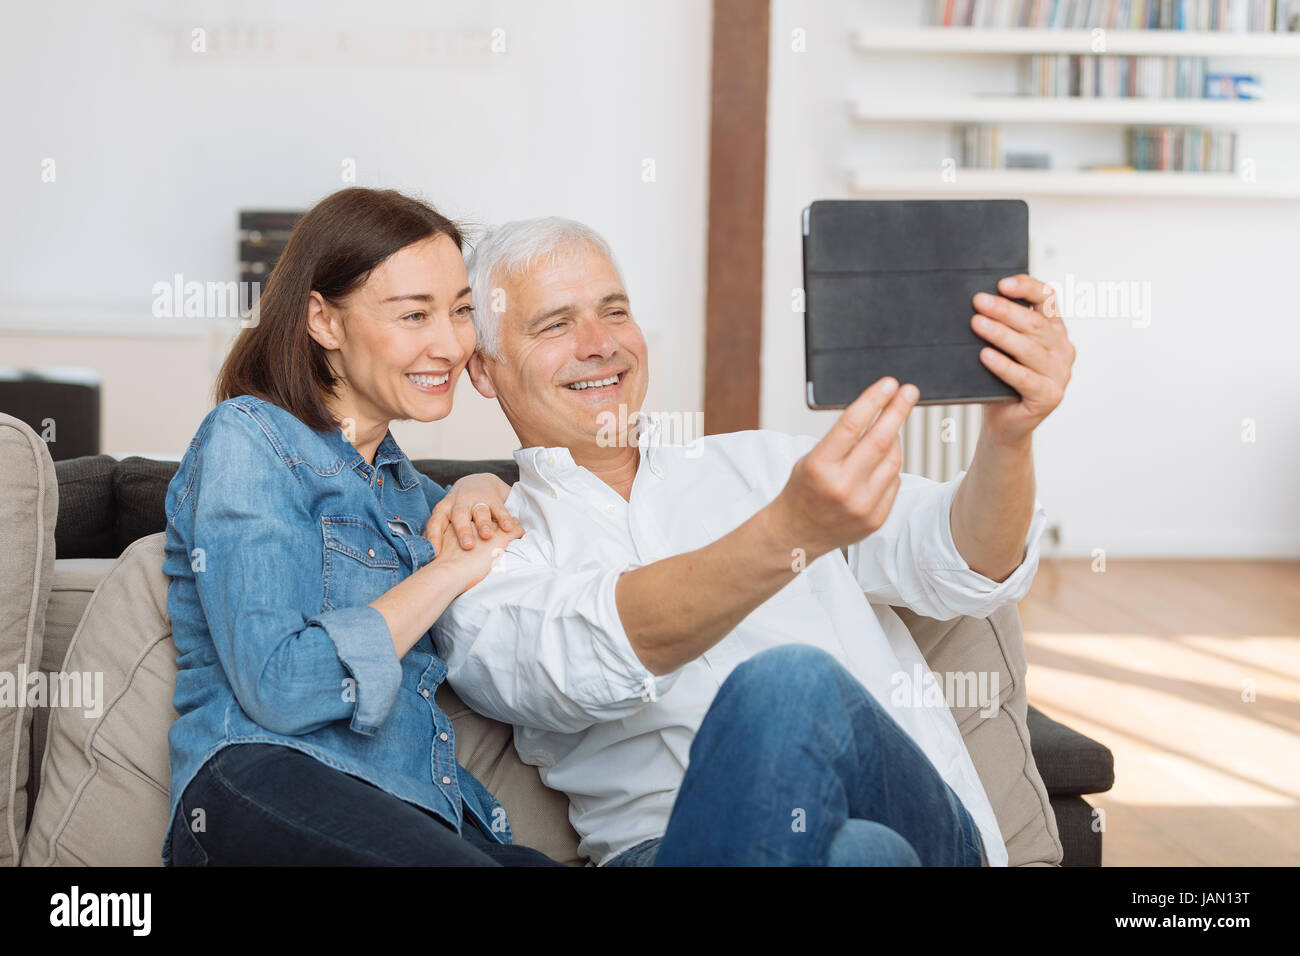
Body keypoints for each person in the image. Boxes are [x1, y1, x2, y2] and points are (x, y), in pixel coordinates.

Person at [432, 216, 1075, 867]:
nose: (599, 344)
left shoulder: (772, 468)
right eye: (555, 324)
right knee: (861, 855)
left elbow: (968, 561)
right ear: (484, 370)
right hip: (669, 852)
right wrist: (788, 532)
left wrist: (1010, 436)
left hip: (911, 818)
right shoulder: (485, 548)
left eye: (614, 311)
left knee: (791, 687)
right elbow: (578, 664)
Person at [162, 188, 559, 866]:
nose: (449, 344)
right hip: (266, 784)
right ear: (323, 320)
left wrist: (482, 483)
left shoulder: (415, 494)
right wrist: (444, 572)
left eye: (462, 312)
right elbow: (279, 686)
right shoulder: (248, 438)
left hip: (422, 811)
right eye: (414, 315)